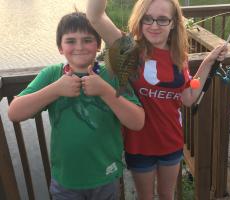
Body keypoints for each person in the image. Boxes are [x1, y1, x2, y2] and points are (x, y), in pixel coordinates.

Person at [87, 0, 227, 199]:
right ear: (140, 20)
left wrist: (208, 61)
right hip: (139, 146)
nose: (154, 25)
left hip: (172, 143)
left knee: (166, 194)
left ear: (173, 23)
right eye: (148, 18)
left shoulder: (179, 57)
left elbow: (188, 97)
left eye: (162, 19)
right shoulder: (128, 50)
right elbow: (95, 16)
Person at [8, 11, 145, 200]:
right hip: (66, 181)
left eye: (87, 40)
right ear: (60, 47)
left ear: (98, 45)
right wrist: (55, 90)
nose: (79, 46)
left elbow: (137, 122)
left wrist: (105, 91)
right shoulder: (52, 75)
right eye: (70, 41)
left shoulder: (111, 75)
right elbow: (14, 112)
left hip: (106, 177)